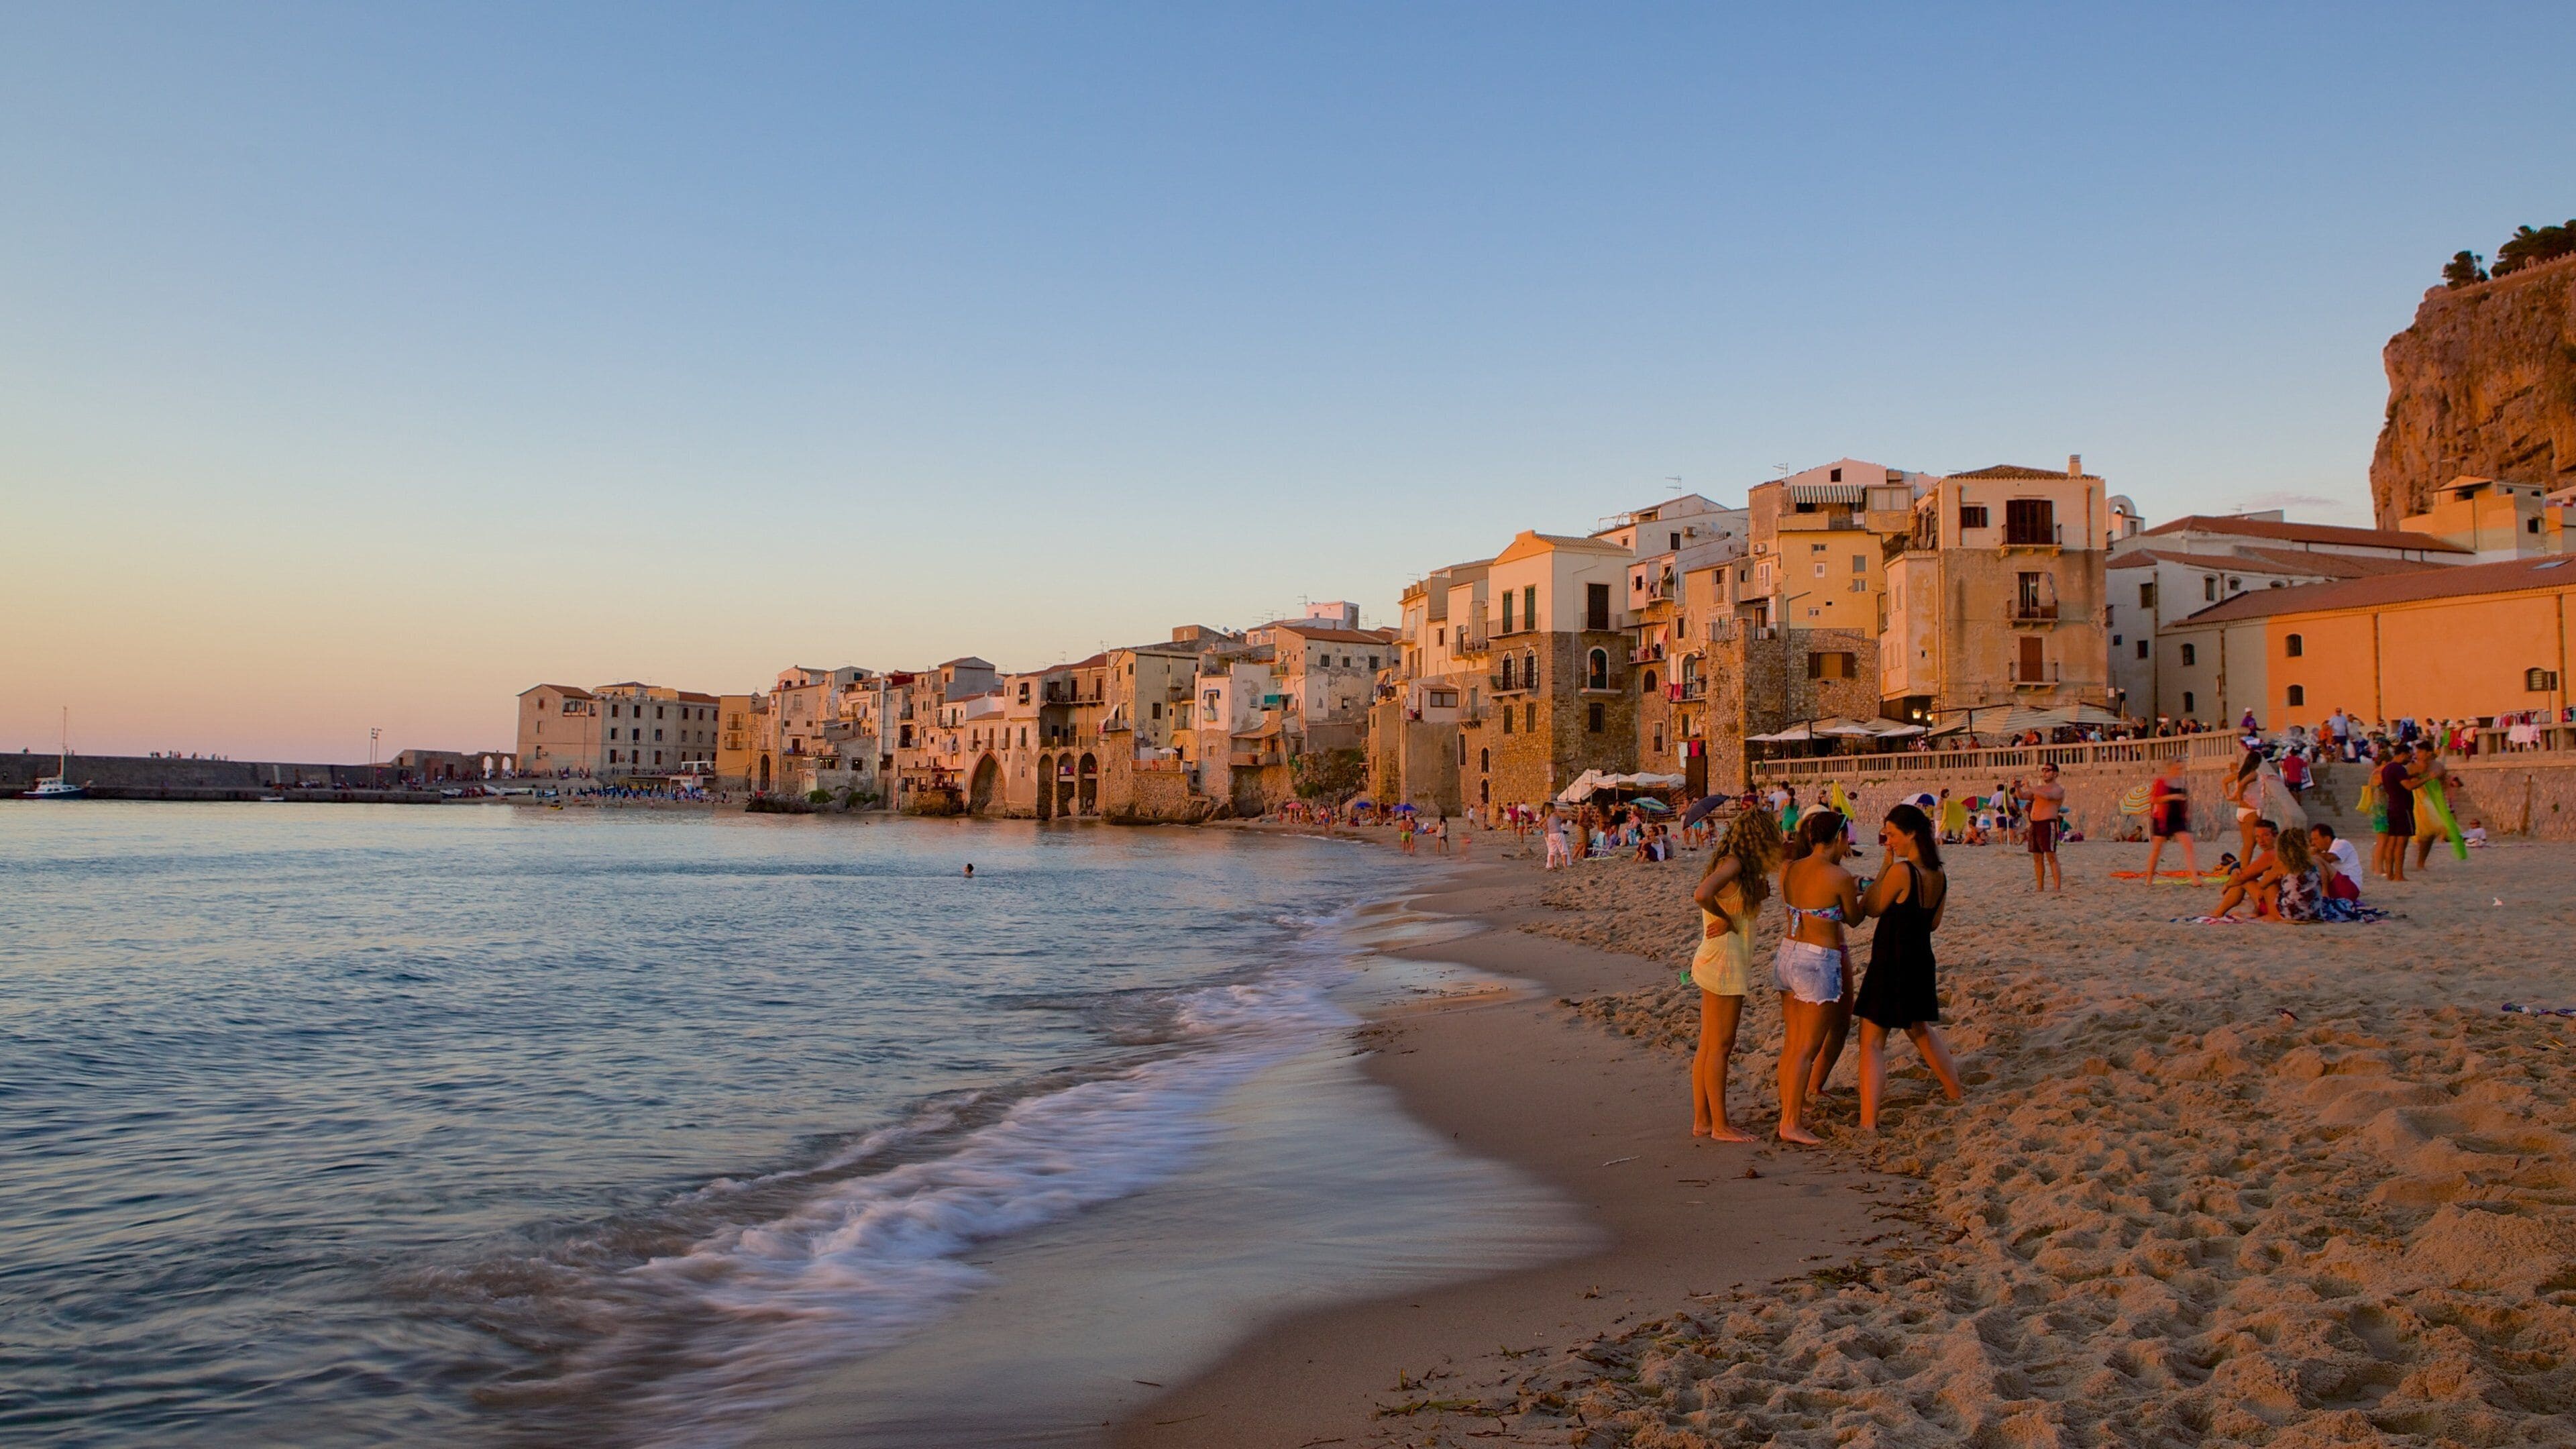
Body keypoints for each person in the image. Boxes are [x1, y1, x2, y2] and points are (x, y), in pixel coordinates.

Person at [1853, 804, 1965, 1129]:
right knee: (1920, 1029)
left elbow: (1871, 908)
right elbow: (1935, 924)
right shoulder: (1938, 874)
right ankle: (1956, 1093)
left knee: (1872, 1040)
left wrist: (1886, 866)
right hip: (1921, 957)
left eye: (1891, 834)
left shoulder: (1904, 871)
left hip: (1891, 960)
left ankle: (1868, 1122)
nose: (1888, 841)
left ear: (1912, 833)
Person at [1688, 811, 1786, 1142]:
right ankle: (1720, 1126)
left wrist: (1754, 898)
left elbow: (1728, 901)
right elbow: (1702, 894)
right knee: (1721, 1046)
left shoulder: (1738, 866)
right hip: (1724, 961)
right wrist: (1726, 920)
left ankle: (1703, 1121)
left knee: (1708, 1045)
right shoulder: (1734, 865)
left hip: (1717, 957)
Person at [1773, 810, 1859, 1145]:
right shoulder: (1838, 875)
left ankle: (1789, 1111)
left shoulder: (1791, 869)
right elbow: (1852, 918)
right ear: (1838, 837)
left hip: (1787, 954)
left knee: (1793, 1044)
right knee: (1807, 1047)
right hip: (1817, 960)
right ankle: (1791, 1122)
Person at [2141, 756, 2197, 883]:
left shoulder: (2181, 781)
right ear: (2171, 767)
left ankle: (2195, 878)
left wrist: (2187, 811)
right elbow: (2155, 799)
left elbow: (2185, 799)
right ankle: (2149, 878)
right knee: (2157, 850)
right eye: (2178, 767)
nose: (2180, 770)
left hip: (2178, 818)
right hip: (2164, 818)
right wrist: (2172, 796)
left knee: (2189, 846)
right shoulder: (2162, 781)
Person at [2212, 819, 2282, 919]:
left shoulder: (2271, 854)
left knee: (2243, 880)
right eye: (2257, 837)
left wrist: (2227, 885)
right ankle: (2254, 912)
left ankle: (2218, 912)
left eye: (2266, 835)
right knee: (2245, 877)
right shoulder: (2282, 852)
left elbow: (2243, 877)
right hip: (2284, 903)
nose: (2261, 841)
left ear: (2276, 835)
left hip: (2276, 908)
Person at [2017, 763, 2065, 892]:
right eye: (2043, 770)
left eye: (2048, 771)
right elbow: (2022, 796)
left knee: (2051, 856)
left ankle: (2057, 888)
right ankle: (2040, 887)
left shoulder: (2058, 789)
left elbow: (2049, 797)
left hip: (2048, 824)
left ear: (2055, 773)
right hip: (2035, 824)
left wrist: (2030, 787)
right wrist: (2018, 787)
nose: (2044, 773)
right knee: (2037, 857)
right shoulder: (2038, 789)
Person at [2374, 745, 2416, 882]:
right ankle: (2399, 875)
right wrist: (2427, 778)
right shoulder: (2398, 768)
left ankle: (2391, 874)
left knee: (2392, 842)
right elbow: (2408, 786)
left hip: (2392, 807)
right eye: (2409, 755)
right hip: (2402, 808)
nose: (2410, 759)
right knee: (2401, 843)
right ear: (2403, 754)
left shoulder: (2387, 769)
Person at [2410, 743, 2450, 871]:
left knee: (2430, 834)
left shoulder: (2437, 766)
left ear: (2428, 753)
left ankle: (2420, 862)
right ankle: (2418, 862)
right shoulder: (2414, 766)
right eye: (2417, 752)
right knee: (2422, 834)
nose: (2418, 754)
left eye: (2421, 752)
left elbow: (2440, 776)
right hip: (2418, 801)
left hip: (2434, 802)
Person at [2270, 826, 2322, 922]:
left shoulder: (2283, 865)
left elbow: (2262, 884)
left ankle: (2272, 915)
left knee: (2269, 885)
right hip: (2314, 913)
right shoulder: (2313, 864)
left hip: (2292, 914)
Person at [2311, 823, 2362, 901]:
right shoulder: (2326, 851)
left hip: (2349, 888)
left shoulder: (2342, 843)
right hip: (2339, 887)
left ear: (2327, 839)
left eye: (2316, 839)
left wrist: (2313, 853)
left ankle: (2325, 894)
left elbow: (2329, 858)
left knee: (2317, 859)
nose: (2313, 843)